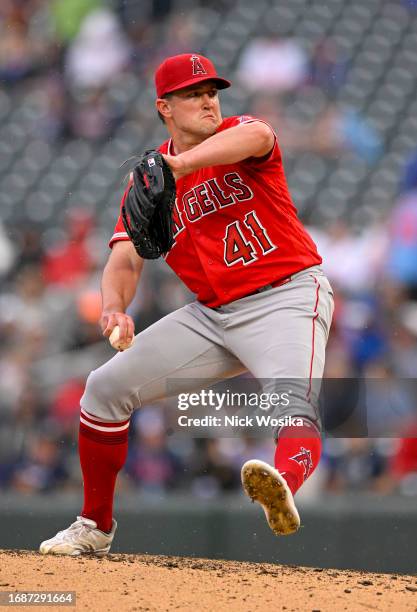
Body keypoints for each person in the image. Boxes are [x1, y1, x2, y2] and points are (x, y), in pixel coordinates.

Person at [39, 54, 334, 556]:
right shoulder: (148, 183)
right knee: (104, 388)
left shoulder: (238, 134)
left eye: (212, 91)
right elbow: (126, 260)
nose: (207, 100)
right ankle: (94, 526)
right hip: (212, 316)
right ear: (164, 107)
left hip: (286, 296)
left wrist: (178, 164)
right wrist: (113, 307)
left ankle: (280, 486)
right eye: (194, 93)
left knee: (294, 405)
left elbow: (259, 137)